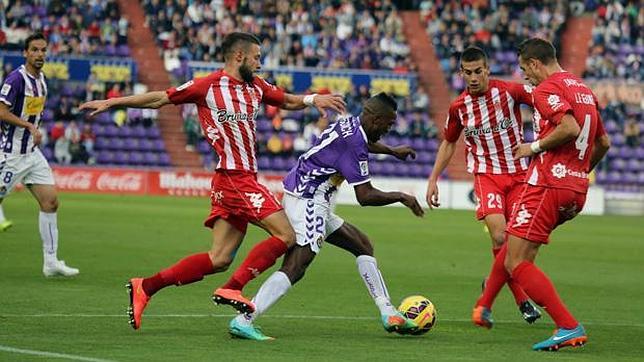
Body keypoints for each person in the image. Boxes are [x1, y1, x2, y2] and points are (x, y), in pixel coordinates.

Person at [80, 32, 346, 330]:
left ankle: (146, 287)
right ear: (239, 56)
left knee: (218, 257)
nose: (260, 63)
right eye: (257, 57)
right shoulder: (207, 85)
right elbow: (160, 98)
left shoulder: (255, 86)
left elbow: (286, 101)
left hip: (232, 181)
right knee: (287, 235)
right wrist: (114, 102)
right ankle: (233, 287)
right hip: (235, 178)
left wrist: (313, 99)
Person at [227, 93, 425, 340]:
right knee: (297, 264)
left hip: (309, 194)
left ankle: (388, 312)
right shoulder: (354, 141)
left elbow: (363, 144)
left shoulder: (350, 124)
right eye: (389, 123)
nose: (389, 128)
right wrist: (402, 197)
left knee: (362, 245)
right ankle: (244, 319)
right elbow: (365, 196)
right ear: (376, 119)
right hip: (308, 199)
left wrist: (392, 151)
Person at [476, 38, 610, 351]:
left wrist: (531, 148)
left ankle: (568, 325)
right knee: (515, 247)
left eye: (526, 70)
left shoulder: (548, 88)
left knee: (517, 262)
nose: (526, 77)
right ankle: (484, 305)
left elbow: (568, 128)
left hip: (547, 185)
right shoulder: (583, 89)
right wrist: (578, 171)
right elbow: (603, 143)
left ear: (536, 63)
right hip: (576, 190)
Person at [424, 46, 540, 324]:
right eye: (468, 73)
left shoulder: (510, 92)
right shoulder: (459, 107)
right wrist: (433, 179)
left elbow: (543, 99)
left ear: (487, 69)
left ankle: (493, 282)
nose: (474, 77)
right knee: (500, 237)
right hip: (487, 176)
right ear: (461, 74)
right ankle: (522, 300)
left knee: (519, 247)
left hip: (520, 175)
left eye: (478, 71)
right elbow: (449, 142)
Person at [0, 33, 79, 276]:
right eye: (34, 50)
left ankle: (51, 262)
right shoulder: (16, 79)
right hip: (12, 153)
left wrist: (32, 129)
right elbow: (1, 111)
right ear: (25, 53)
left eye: (43, 50)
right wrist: (29, 127)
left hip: (32, 154)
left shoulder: (42, 80)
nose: (39, 54)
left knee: (51, 202)